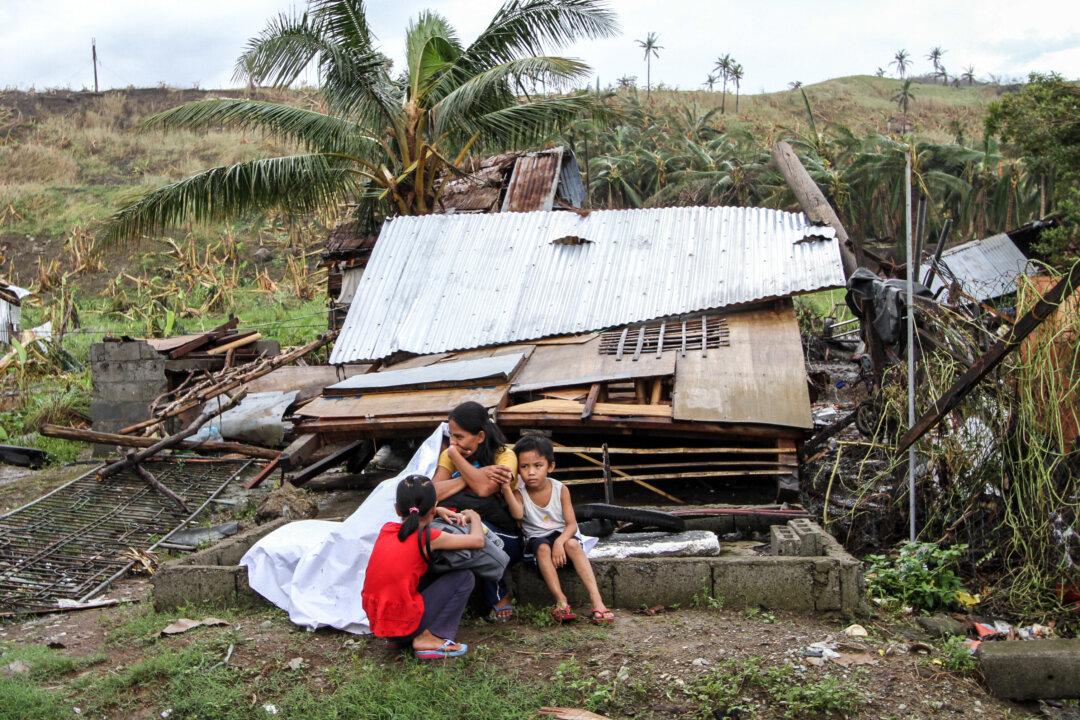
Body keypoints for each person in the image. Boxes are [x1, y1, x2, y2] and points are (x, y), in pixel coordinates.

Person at [361, 474, 485, 660]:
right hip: (404, 627)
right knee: (465, 577)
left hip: (381, 624)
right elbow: (477, 541)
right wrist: (474, 517)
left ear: (397, 509)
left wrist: (436, 509)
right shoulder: (429, 537)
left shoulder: (386, 529)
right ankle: (430, 638)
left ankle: (405, 636)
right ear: (432, 509)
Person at [503, 435, 615, 625]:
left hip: (561, 536)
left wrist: (560, 542)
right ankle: (561, 601)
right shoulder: (519, 493)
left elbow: (571, 524)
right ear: (518, 470)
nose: (531, 472)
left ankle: (597, 600)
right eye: (524, 467)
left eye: (538, 466)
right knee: (543, 548)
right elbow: (517, 514)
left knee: (573, 544)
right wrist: (506, 487)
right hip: (536, 541)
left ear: (550, 466)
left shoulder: (560, 489)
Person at [432, 401, 521, 621]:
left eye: (459, 437)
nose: (453, 442)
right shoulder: (451, 453)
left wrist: (455, 459)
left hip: (506, 534)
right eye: (451, 436)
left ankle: (500, 596)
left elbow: (483, 489)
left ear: (480, 436)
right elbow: (432, 493)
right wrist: (464, 474)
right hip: (466, 523)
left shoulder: (505, 456)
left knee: (479, 534)